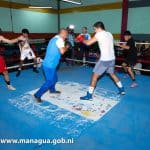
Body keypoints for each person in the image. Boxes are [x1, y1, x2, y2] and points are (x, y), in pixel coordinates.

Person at [80, 21, 125, 101]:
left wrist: (81, 39)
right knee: (112, 74)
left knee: (94, 77)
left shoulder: (99, 34)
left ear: (98, 28)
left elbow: (88, 43)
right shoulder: (109, 34)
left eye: (94, 29)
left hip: (105, 60)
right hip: (112, 58)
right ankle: (122, 90)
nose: (94, 31)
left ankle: (89, 95)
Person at [34, 29, 70, 103]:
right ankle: (37, 95)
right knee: (50, 81)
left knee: (55, 79)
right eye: (66, 35)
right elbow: (62, 51)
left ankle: (52, 90)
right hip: (49, 65)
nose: (66, 37)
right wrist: (67, 47)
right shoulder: (59, 40)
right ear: (62, 33)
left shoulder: (54, 38)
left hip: (51, 64)